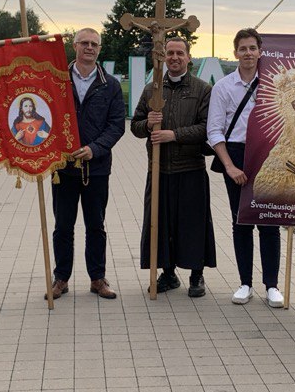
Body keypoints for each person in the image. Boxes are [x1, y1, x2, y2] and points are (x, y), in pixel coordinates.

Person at [131, 36, 216, 296]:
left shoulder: (202, 89)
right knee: (161, 223)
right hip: (159, 169)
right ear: (163, 57)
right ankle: (168, 274)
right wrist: (148, 123)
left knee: (193, 224)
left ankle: (196, 275)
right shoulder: (152, 90)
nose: (175, 57)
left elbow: (207, 128)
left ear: (189, 57)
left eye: (180, 53)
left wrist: (174, 135)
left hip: (190, 168)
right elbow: (135, 126)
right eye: (170, 53)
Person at [47, 27, 126, 300]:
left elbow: (116, 125)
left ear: (99, 49)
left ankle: (97, 278)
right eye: (84, 43)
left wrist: (95, 148)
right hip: (63, 168)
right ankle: (60, 278)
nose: (89, 47)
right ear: (75, 46)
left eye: (94, 44)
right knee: (62, 227)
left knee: (96, 225)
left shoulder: (110, 85)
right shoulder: (57, 80)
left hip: (97, 168)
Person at [209, 28, 282, 307]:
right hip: (236, 156)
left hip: (267, 155)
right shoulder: (223, 87)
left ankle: (272, 285)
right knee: (241, 221)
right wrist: (229, 166)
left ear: (260, 51)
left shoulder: (272, 84)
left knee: (269, 221)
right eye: (243, 48)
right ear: (235, 53)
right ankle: (245, 283)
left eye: (253, 48)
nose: (248, 53)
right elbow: (214, 131)